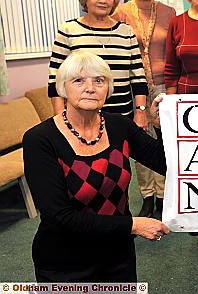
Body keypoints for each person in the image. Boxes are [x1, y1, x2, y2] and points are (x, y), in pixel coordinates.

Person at [24, 51, 170, 282]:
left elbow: (165, 164)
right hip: (65, 261)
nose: (90, 88)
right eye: (79, 80)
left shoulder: (120, 126)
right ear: (63, 88)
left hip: (118, 254)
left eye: (99, 80)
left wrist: (163, 127)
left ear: (108, 89)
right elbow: (59, 217)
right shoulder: (40, 139)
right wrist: (132, 224)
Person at [113, 0, 176, 219]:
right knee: (140, 142)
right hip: (134, 87)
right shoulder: (120, 13)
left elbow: (174, 51)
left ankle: (163, 196)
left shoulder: (169, 13)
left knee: (164, 143)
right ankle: (147, 196)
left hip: (163, 86)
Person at [48, 0, 148, 126]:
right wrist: (59, 117)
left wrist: (141, 111)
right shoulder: (68, 30)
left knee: (121, 151)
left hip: (122, 116)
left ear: (114, 0)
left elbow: (138, 77)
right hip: (81, 117)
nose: (103, 0)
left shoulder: (126, 32)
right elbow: (55, 77)